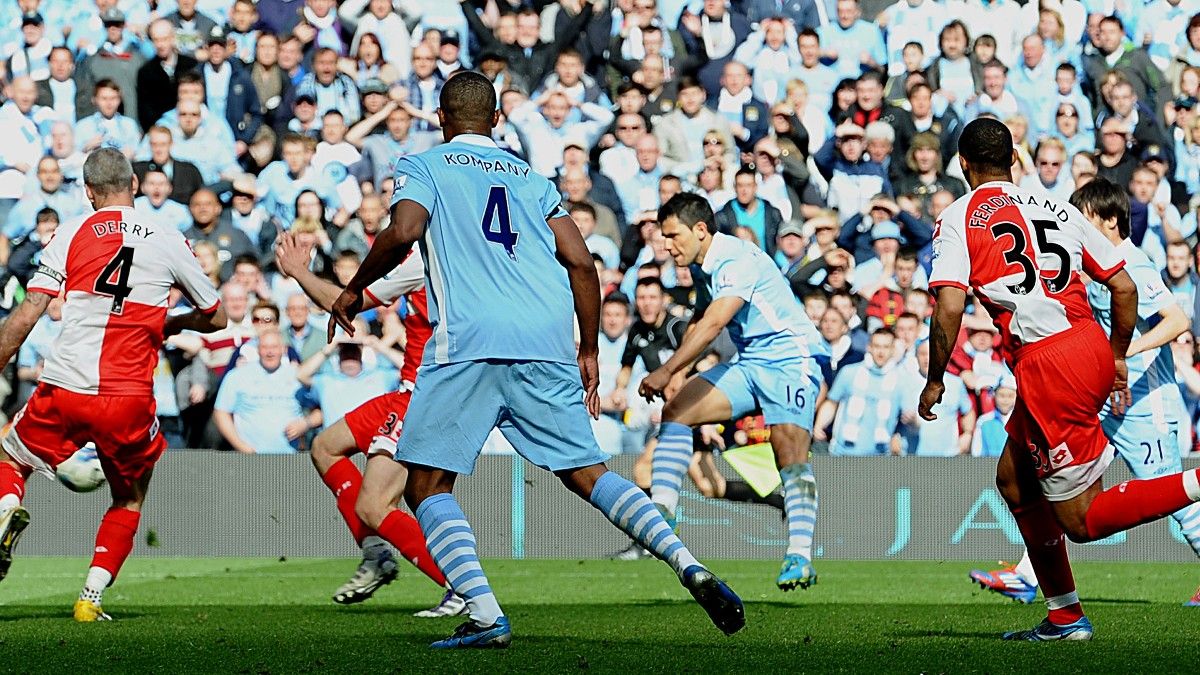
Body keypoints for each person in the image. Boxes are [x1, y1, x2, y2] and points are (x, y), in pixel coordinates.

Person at [327, 71, 743, 648]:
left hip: (470, 342)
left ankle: (485, 613)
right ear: (497, 121)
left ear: (442, 121)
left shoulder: (425, 165)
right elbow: (579, 260)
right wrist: (590, 349)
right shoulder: (529, 177)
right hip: (546, 344)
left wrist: (353, 287)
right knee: (589, 473)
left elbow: (404, 230)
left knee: (424, 484)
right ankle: (687, 564)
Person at [919, 118, 1200, 641]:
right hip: (1088, 345)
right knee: (1013, 479)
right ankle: (1064, 616)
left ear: (962, 164)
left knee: (1081, 521)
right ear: (1015, 160)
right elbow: (1122, 286)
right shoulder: (1056, 208)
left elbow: (949, 305)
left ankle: (1198, 482)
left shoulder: (957, 219)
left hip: (1050, 365)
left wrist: (936, 378)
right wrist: (1115, 356)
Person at [0, 148, 227, 621]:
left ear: (87, 192)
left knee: (10, 457)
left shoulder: (72, 230)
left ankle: (5, 509)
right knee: (128, 496)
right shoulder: (168, 237)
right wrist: (168, 322)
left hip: (65, 385)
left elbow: (29, 311)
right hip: (128, 396)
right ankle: (90, 598)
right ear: (135, 186)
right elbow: (217, 316)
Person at [969, 179, 1200, 607]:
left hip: (1143, 400)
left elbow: (1176, 320)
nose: (1077, 224)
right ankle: (1027, 575)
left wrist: (1122, 353)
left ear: (1111, 221)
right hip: (1098, 395)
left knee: (1171, 494)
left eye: (1086, 216)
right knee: (1051, 480)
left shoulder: (1133, 262)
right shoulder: (1089, 261)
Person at [637, 191, 826, 591]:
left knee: (788, 452)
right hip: (752, 362)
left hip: (793, 358)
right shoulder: (705, 264)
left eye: (674, 236)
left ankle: (800, 555)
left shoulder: (735, 258)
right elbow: (700, 318)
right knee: (677, 410)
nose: (667, 246)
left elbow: (714, 324)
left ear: (701, 230)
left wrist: (668, 368)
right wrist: (678, 375)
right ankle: (663, 512)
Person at [273, 233, 464, 617]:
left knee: (375, 505)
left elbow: (345, 303)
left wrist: (298, 272)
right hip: (411, 388)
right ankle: (377, 554)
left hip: (423, 394)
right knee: (325, 447)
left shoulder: (429, 255)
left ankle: (461, 586)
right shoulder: (459, 253)